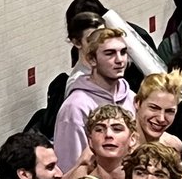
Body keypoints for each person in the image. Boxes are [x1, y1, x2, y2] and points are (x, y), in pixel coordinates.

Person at [54, 28, 134, 171]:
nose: (120, 60)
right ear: (92, 59)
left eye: (123, 52)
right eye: (110, 54)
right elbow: (70, 166)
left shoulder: (131, 97)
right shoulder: (75, 107)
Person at [134, 71, 182, 154]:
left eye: (169, 111)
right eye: (154, 108)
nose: (161, 119)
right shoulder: (116, 142)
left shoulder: (173, 146)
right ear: (137, 102)